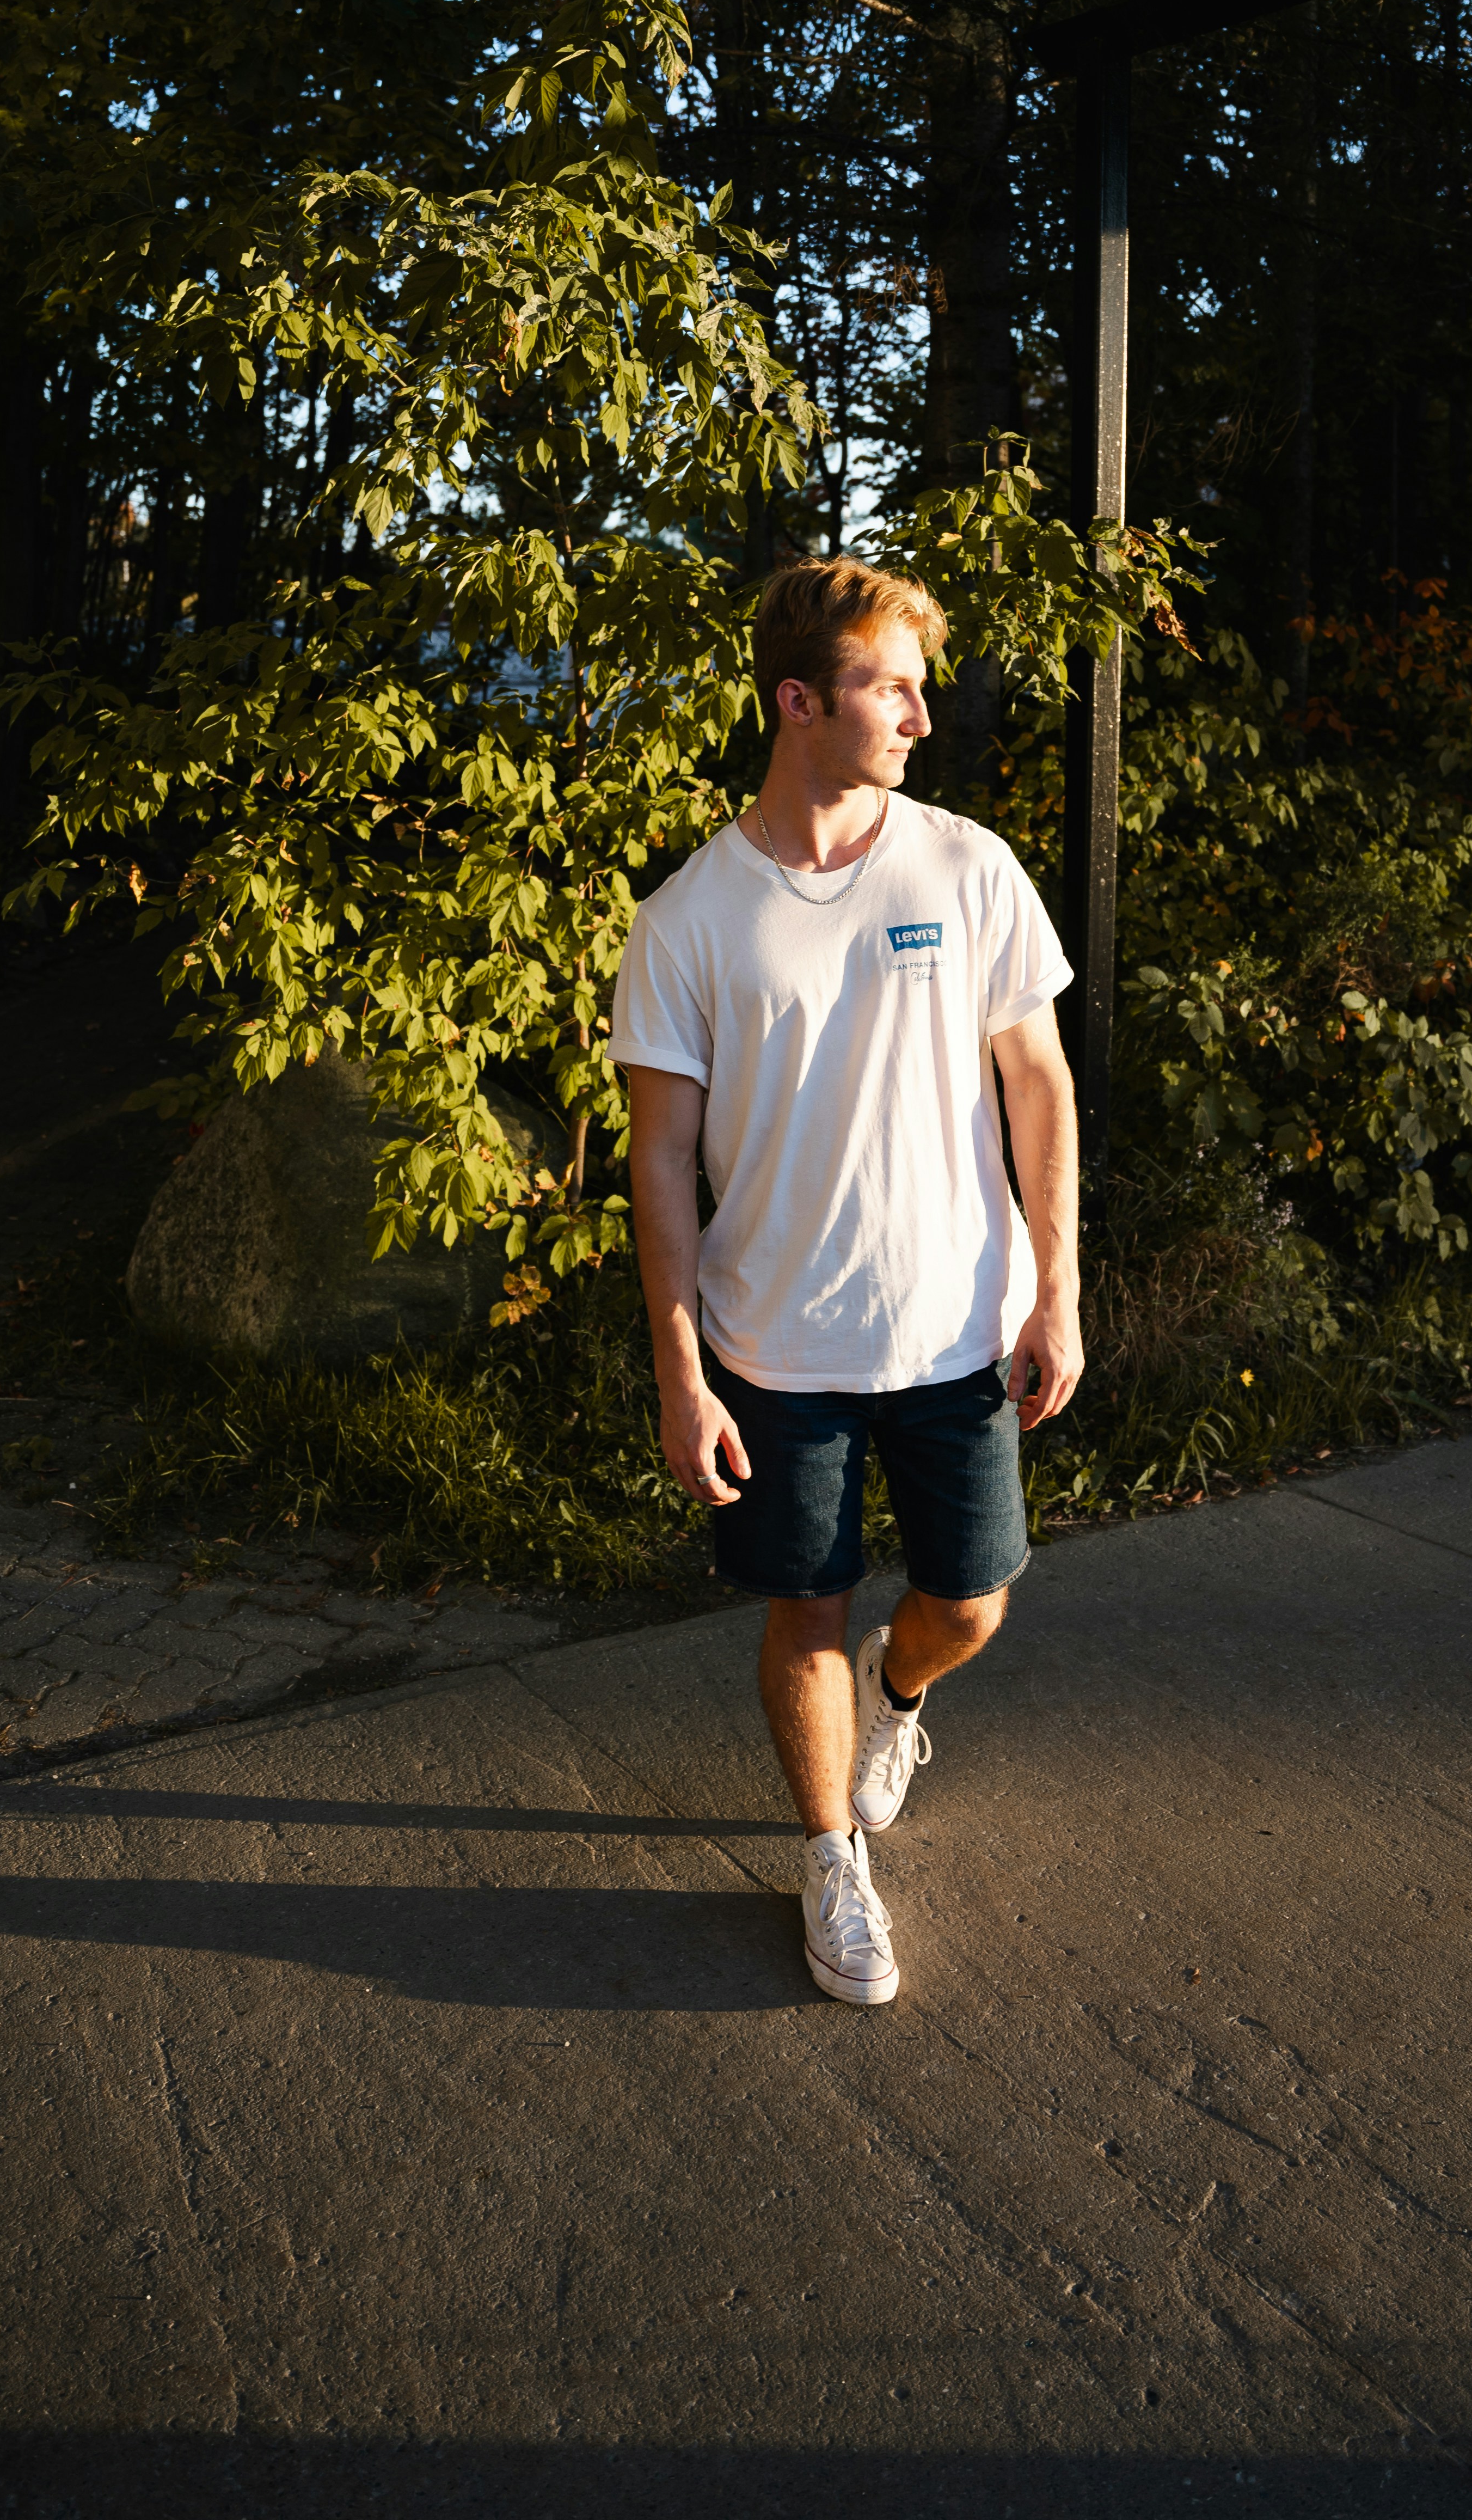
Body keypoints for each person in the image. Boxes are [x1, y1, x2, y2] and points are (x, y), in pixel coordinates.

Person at [609, 555, 1083, 2005]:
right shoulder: (689, 920)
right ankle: (830, 1859)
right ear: (799, 702)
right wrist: (683, 1381)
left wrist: (1058, 1292)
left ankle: (900, 1690)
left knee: (974, 1601)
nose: (922, 718)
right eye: (892, 689)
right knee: (800, 1609)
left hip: (958, 1326)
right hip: (776, 1345)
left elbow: (1041, 1087)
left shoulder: (967, 868)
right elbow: (659, 1167)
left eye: (920, 688)